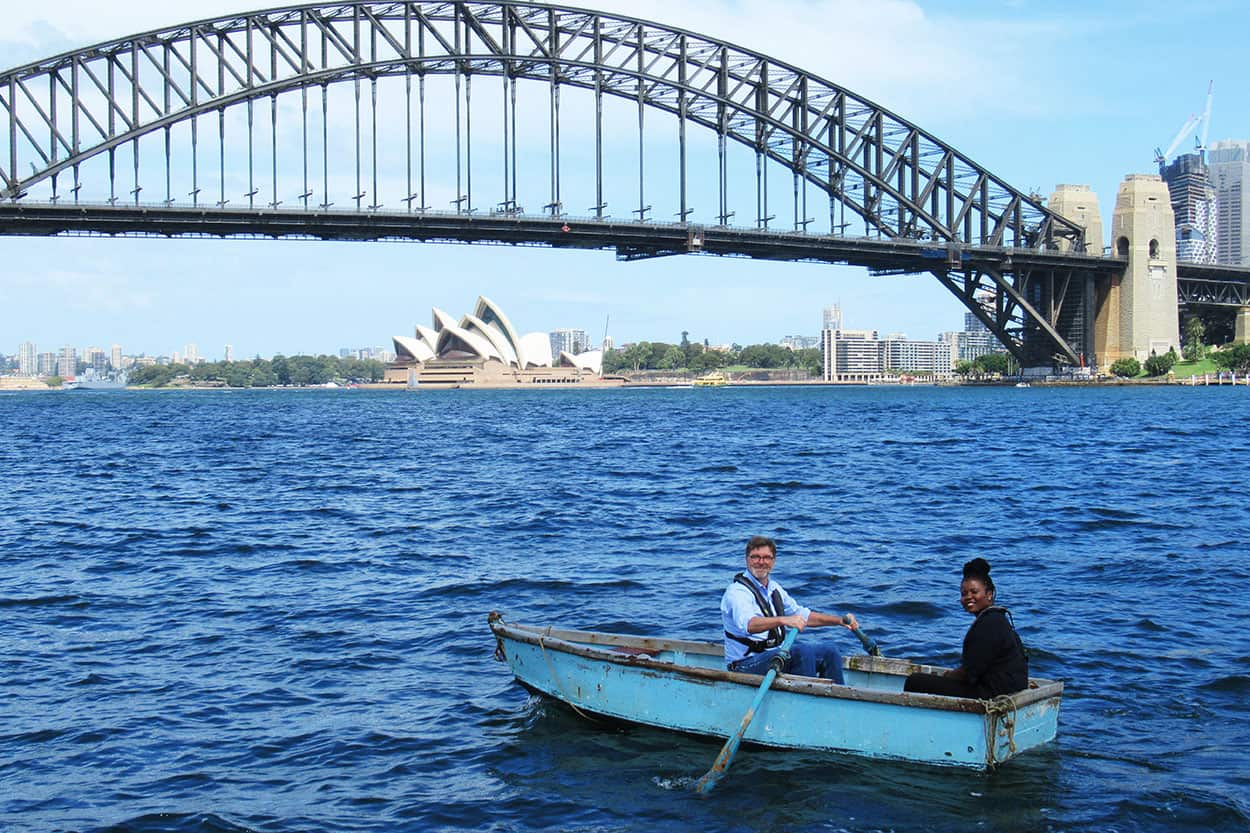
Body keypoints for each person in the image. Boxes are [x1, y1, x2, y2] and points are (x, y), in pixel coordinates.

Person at [721, 535, 860, 684]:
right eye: (755, 557)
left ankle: (835, 701)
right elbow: (749, 624)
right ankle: (806, 701)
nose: (761, 562)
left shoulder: (774, 589)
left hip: (774, 656)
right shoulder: (737, 593)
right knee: (802, 652)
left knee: (830, 652)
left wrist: (839, 621)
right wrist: (783, 619)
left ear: (773, 561)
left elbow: (802, 615)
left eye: (767, 558)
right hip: (745, 664)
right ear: (747, 559)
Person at [903, 557, 1029, 699]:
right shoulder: (997, 618)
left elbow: (969, 673)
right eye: (964, 594)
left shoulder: (988, 624)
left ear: (989, 594)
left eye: (974, 592)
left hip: (993, 694)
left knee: (915, 681)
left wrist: (948, 676)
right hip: (1004, 689)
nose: (968, 597)